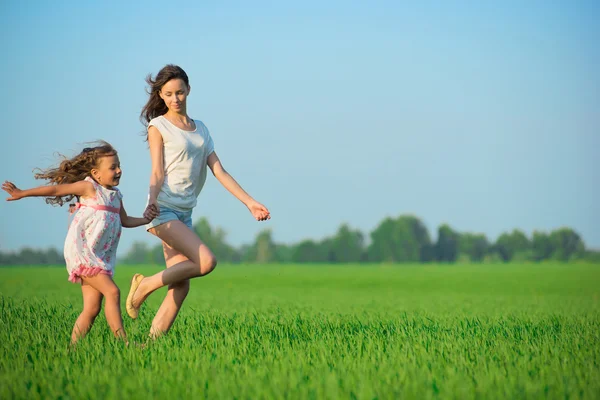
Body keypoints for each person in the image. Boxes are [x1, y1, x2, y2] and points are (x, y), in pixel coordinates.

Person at [126, 64, 271, 337]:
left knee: (181, 284)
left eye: (180, 92)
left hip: (184, 213)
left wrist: (250, 202)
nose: (175, 99)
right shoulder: (158, 126)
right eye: (168, 94)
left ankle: (150, 346)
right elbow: (156, 170)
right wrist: (152, 200)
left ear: (188, 90)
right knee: (206, 262)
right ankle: (144, 285)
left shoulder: (201, 129)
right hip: (163, 210)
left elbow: (219, 171)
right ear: (161, 95)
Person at [2, 142, 158, 345]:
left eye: (119, 166)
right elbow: (56, 189)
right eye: (112, 167)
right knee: (113, 292)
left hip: (101, 258)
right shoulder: (89, 187)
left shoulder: (116, 196)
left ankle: (72, 350)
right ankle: (125, 344)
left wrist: (145, 220)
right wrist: (22, 193)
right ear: (96, 173)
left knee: (92, 309)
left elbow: (125, 220)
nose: (118, 170)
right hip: (83, 254)